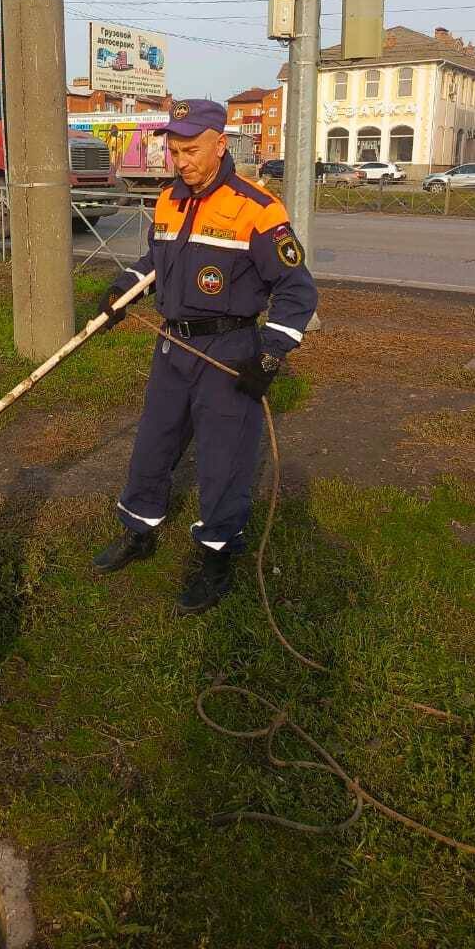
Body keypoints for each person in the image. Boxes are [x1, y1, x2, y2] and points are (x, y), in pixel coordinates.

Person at [93, 99, 318, 614]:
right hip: (173, 346)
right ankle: (139, 530)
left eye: (191, 150)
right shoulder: (169, 200)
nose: (181, 160)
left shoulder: (259, 209)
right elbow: (157, 261)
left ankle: (216, 555)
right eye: (173, 149)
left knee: (225, 459)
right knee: (153, 444)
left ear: (221, 144)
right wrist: (122, 289)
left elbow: (297, 291)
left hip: (229, 350)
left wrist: (271, 354)